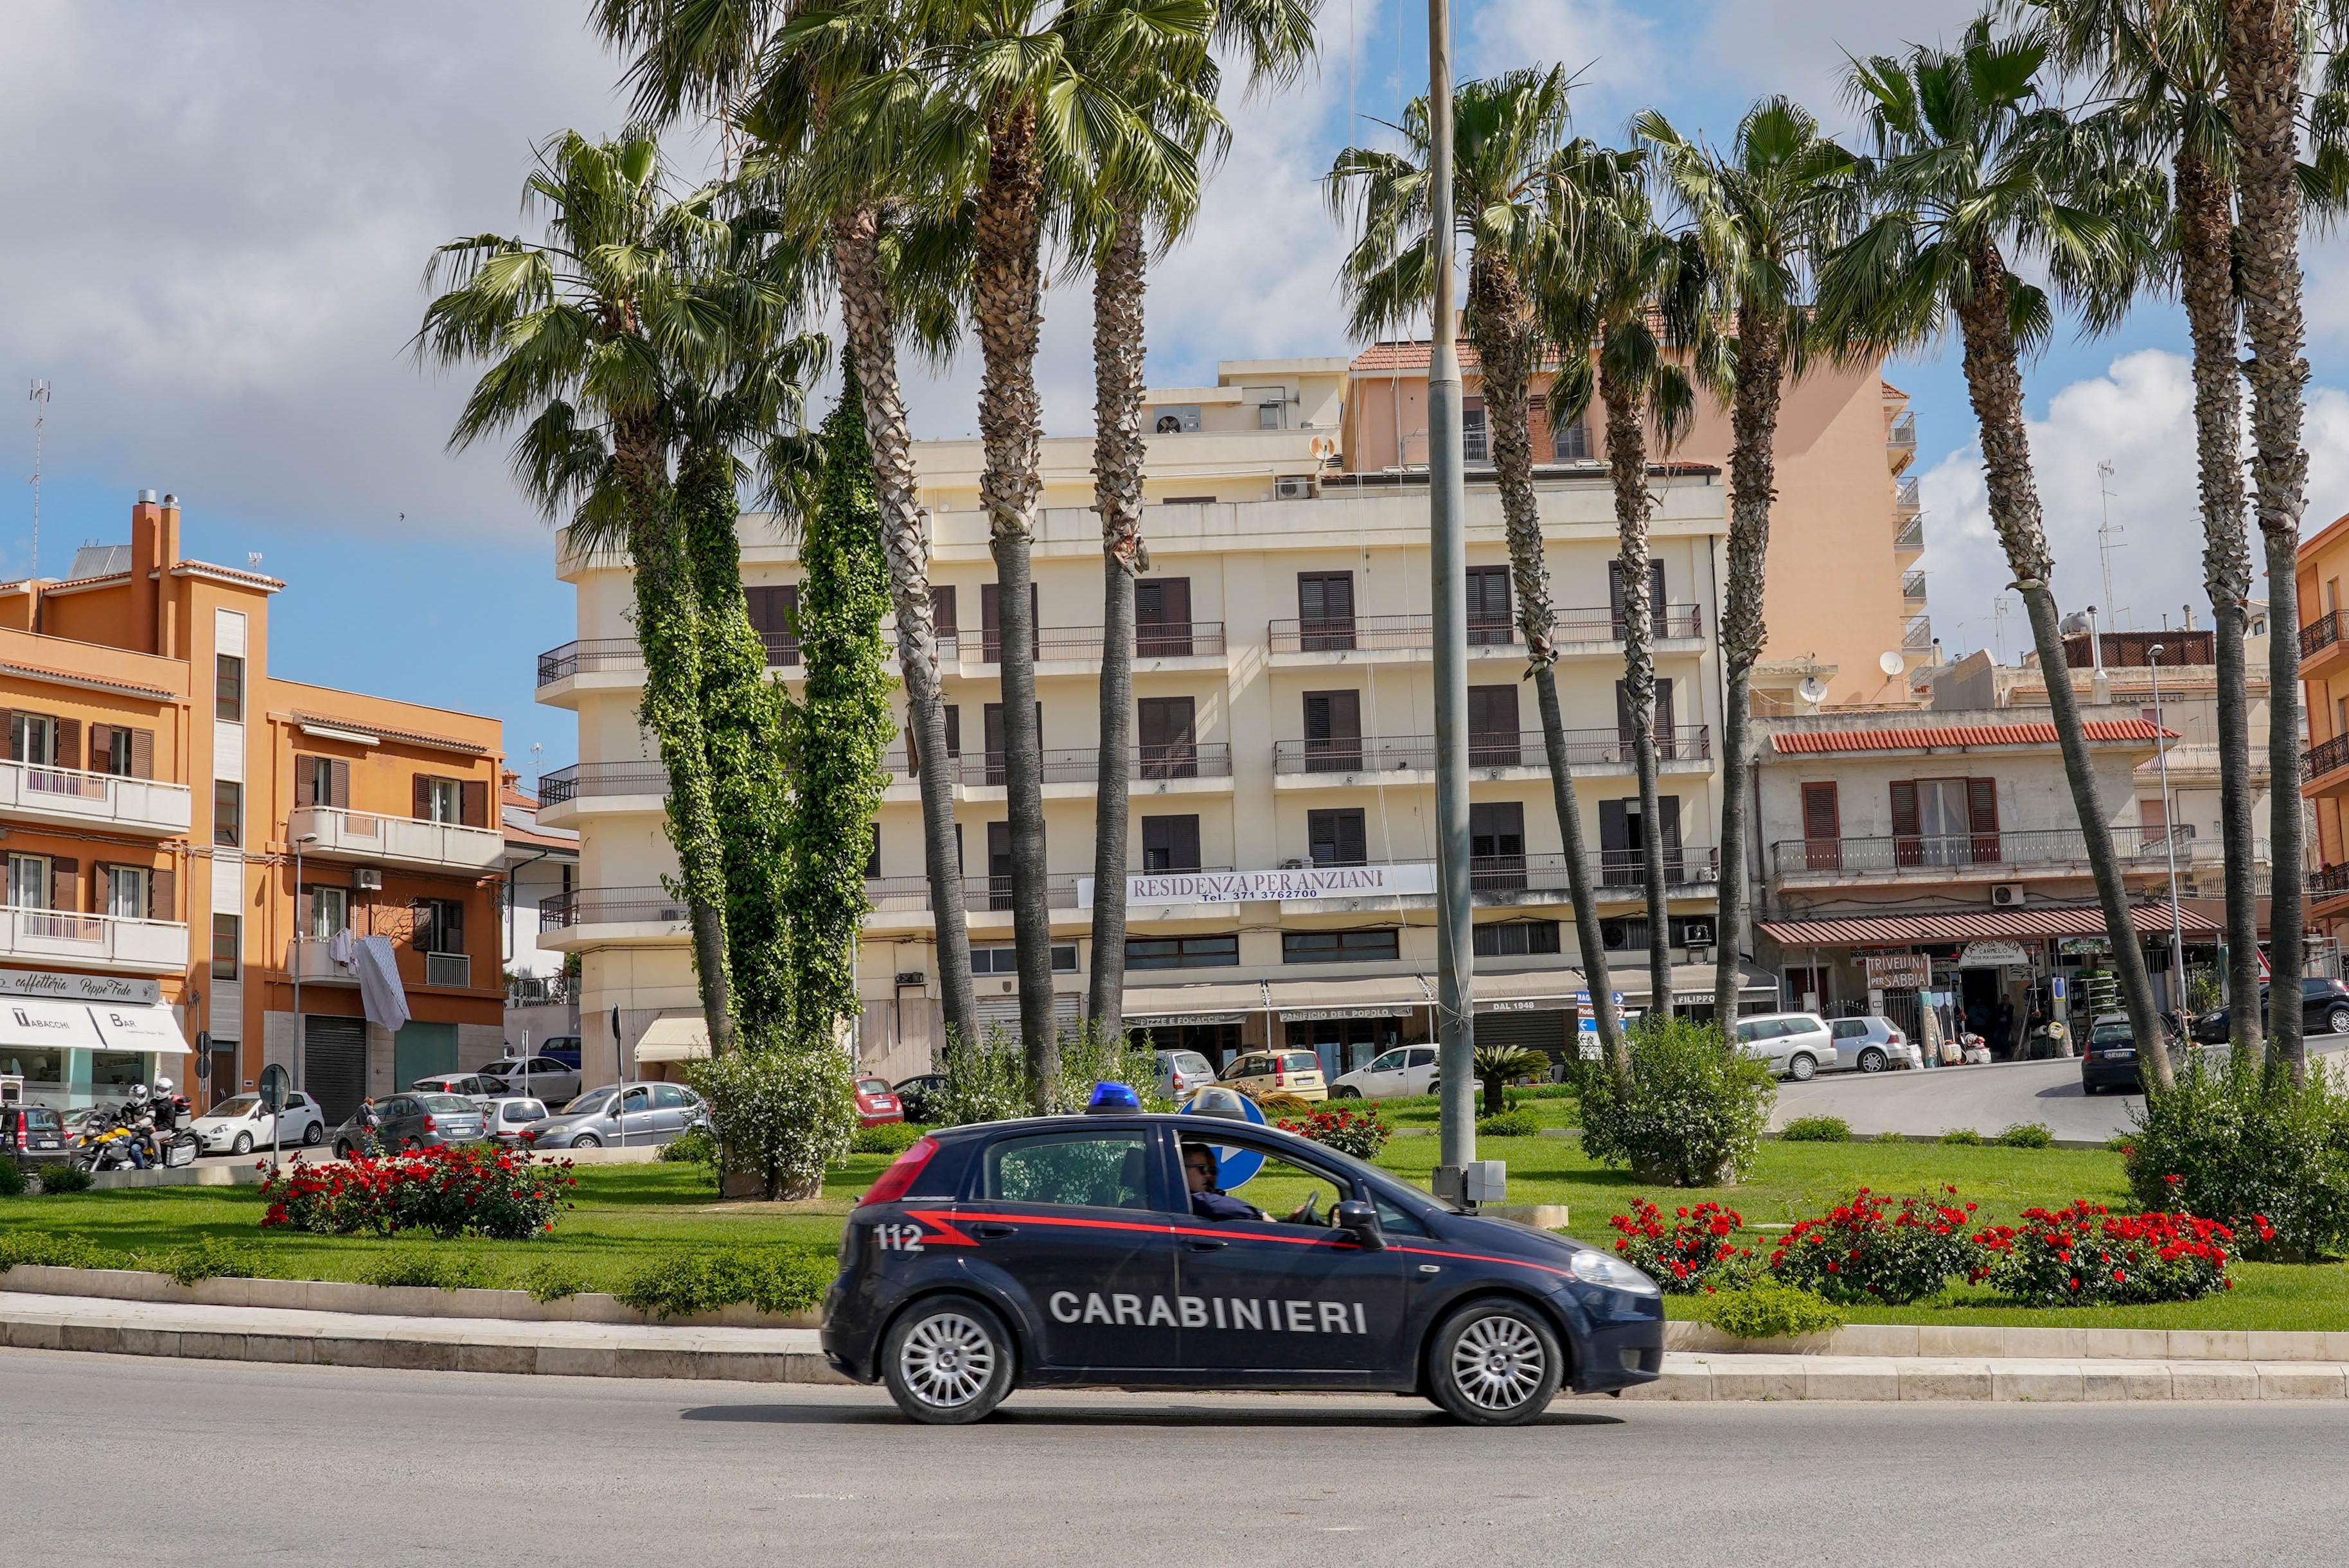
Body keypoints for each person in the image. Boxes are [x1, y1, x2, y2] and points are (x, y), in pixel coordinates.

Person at [1182, 1143, 1262, 1221]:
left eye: (1213, 1171)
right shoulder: (1186, 1200)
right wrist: (1260, 1214)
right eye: (1203, 1169)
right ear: (1182, 1170)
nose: (1208, 1175)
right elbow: (1209, 1203)